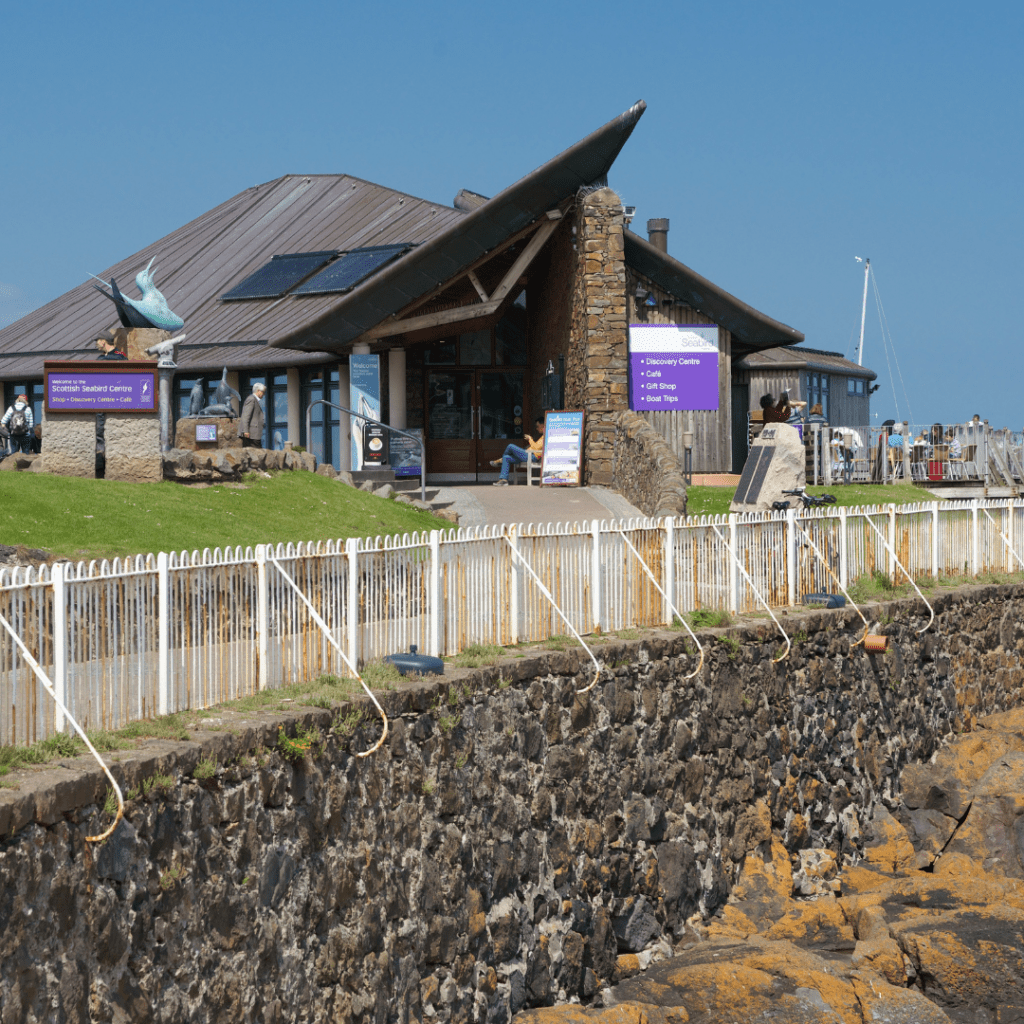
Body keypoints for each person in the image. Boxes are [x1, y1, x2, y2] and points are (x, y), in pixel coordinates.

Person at [490, 417, 544, 486]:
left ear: (543, 425)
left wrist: (530, 439)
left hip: (532, 456)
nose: (536, 428)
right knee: (506, 457)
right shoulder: (542, 436)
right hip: (527, 454)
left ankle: (501, 460)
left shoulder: (545, 436)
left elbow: (536, 448)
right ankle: (504, 480)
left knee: (510, 446)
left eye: (537, 426)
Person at [239, 383, 266, 447]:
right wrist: (246, 431)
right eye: (263, 392)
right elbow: (246, 416)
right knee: (257, 454)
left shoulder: (254, 399)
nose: (264, 394)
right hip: (251, 435)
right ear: (258, 391)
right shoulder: (251, 399)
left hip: (253, 435)